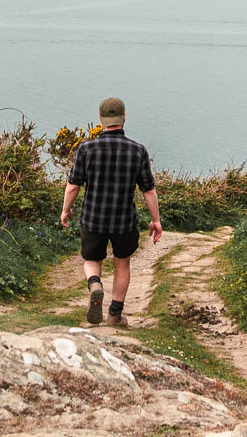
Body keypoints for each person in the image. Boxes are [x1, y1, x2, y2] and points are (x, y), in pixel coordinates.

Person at [60, 97, 162, 326]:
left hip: (93, 219)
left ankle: (95, 283)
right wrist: (156, 220)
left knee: (91, 259)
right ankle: (115, 315)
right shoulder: (137, 151)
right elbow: (149, 191)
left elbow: (73, 185)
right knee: (122, 263)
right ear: (124, 118)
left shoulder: (86, 149)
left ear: (101, 120)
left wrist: (66, 210)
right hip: (123, 222)